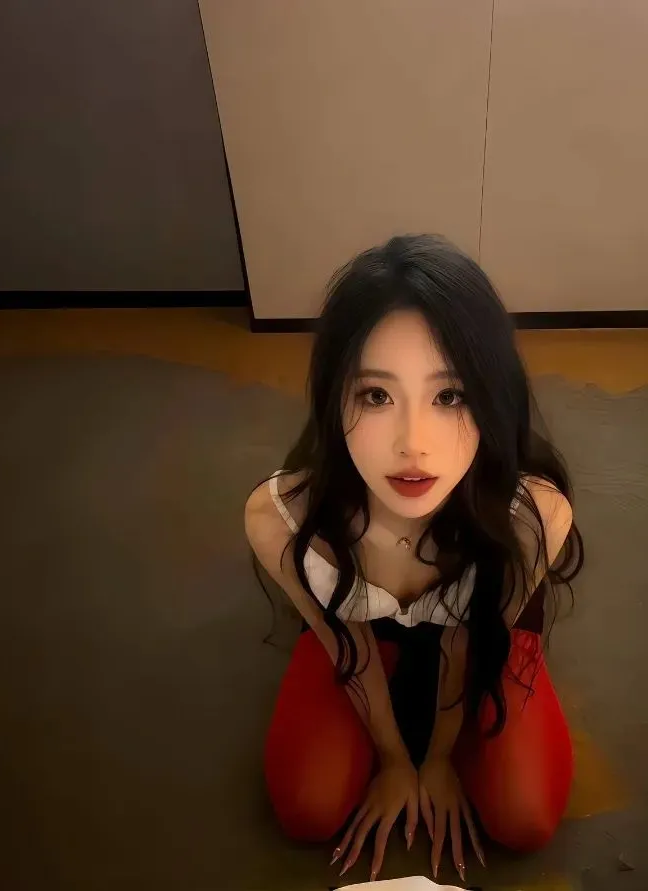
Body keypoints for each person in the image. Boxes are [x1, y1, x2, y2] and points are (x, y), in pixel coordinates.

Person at [244, 234, 584, 885]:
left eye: (450, 396)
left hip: (482, 623)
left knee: (524, 817)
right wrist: (396, 759)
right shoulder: (281, 518)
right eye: (376, 395)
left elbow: (465, 640)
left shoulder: (532, 516)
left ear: (491, 397)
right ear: (334, 398)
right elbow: (346, 640)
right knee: (307, 809)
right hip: (359, 629)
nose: (413, 444)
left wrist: (440, 758)